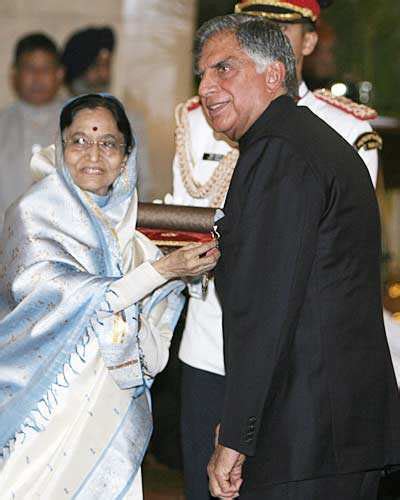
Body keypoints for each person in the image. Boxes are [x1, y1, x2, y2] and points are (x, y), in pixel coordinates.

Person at [173, 2, 382, 498]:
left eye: (224, 68)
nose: (205, 87)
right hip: (321, 418)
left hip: (308, 424)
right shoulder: (295, 140)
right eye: (202, 73)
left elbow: (267, 304)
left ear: (274, 73)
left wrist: (237, 433)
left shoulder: (280, 152)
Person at [0, 93, 219, 499]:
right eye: (79, 141)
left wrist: (180, 274)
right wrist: (163, 270)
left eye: (108, 143)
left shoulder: (126, 222)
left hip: (110, 397)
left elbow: (151, 303)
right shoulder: (34, 212)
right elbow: (68, 296)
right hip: (48, 397)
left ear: (126, 155)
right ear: (60, 146)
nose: (92, 155)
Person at [62, 27, 151, 201]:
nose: (103, 74)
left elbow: (144, 183)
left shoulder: (129, 119)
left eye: (107, 65)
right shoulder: (56, 117)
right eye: (96, 65)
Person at [0, 32, 64, 232]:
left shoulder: (76, 125)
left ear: (59, 74)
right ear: (15, 74)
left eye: (46, 68)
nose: (38, 77)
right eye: (29, 68)